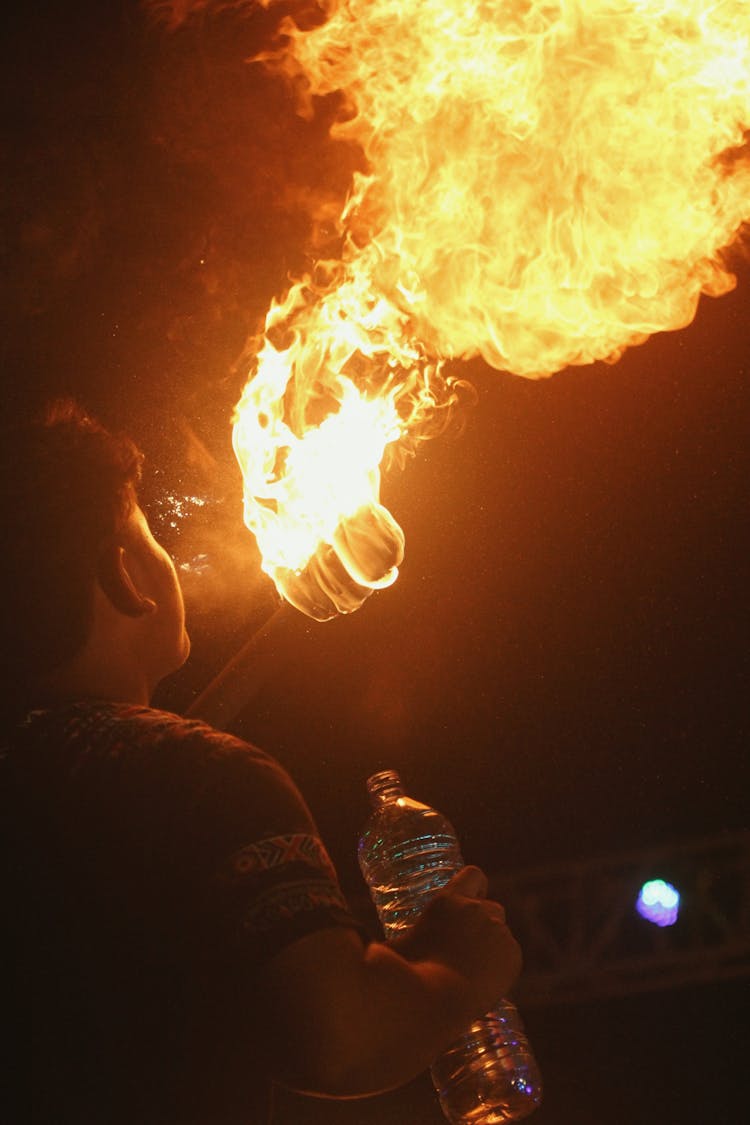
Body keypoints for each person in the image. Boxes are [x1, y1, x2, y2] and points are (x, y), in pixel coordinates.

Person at [2, 401, 522, 1125]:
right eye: (151, 534)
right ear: (126, 576)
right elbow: (338, 1041)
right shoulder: (200, 777)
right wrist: (453, 967)